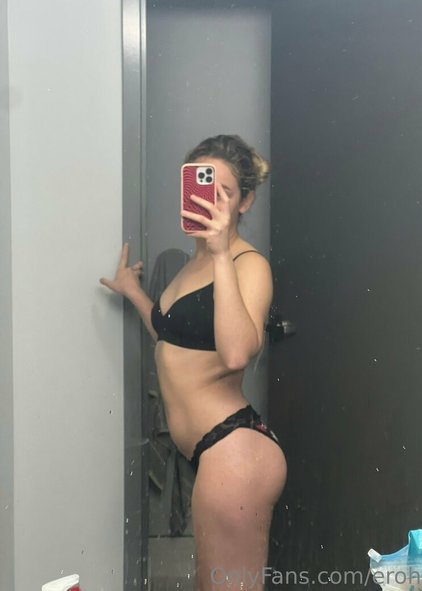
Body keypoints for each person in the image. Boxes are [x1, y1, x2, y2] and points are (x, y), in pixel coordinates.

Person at [99, 134, 287, 590]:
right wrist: (134, 292)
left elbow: (237, 352)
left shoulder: (247, 265)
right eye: (201, 187)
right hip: (213, 452)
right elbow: (174, 338)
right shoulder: (190, 265)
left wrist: (220, 252)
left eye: (223, 192)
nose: (210, 201)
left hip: (235, 451)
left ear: (245, 202)